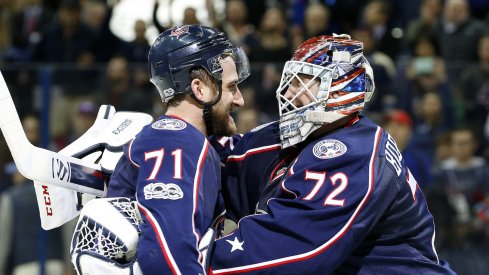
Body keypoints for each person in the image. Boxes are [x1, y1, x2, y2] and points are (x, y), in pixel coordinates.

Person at [208, 34, 455, 273]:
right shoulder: (293, 133)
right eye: (290, 80)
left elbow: (294, 249)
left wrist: (198, 259)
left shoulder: (357, 152)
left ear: (339, 90)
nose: (288, 92)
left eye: (301, 81)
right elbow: (224, 158)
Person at [105, 25, 250, 274]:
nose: (239, 100)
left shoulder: (176, 138)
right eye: (231, 87)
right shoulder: (176, 142)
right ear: (200, 89)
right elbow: (166, 253)